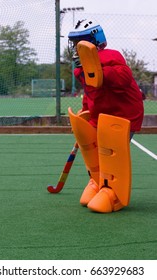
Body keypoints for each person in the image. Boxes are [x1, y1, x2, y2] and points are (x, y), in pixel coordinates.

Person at [67, 19, 144, 213]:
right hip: (100, 116)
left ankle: (113, 193)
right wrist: (85, 113)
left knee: (111, 153)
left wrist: (99, 69)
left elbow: (124, 78)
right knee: (93, 152)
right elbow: (90, 93)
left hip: (123, 116)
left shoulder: (111, 56)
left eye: (79, 44)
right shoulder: (80, 69)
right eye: (74, 44)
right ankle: (97, 181)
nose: (75, 49)